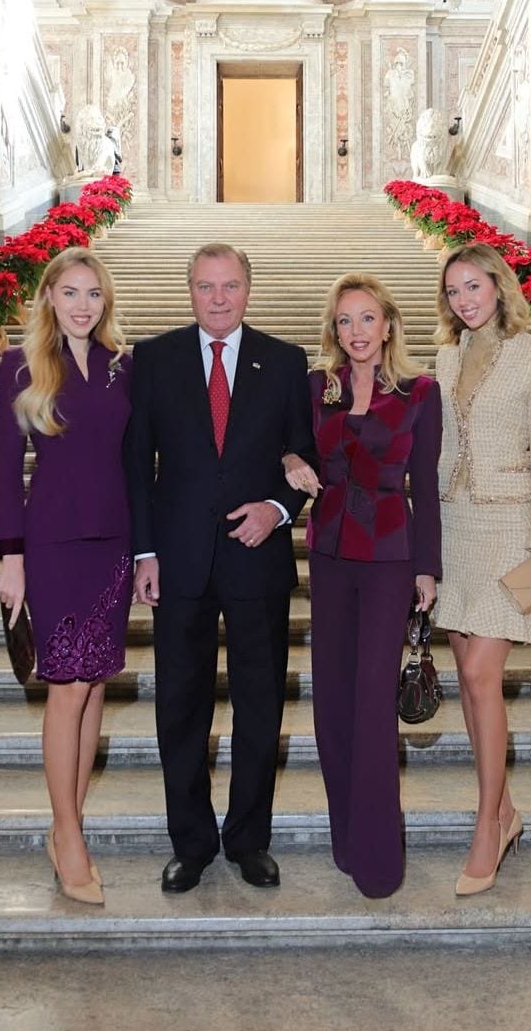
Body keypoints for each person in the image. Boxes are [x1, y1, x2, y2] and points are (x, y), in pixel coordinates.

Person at [126, 242, 317, 894]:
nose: (218, 297)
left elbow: (307, 460)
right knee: (180, 706)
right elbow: (136, 467)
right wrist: (143, 552)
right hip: (177, 563)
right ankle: (192, 843)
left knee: (260, 705)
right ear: (189, 291)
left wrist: (276, 507)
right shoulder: (152, 361)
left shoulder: (287, 363)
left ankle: (248, 840)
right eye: (206, 286)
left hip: (257, 561)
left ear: (247, 290)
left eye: (230, 285)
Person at [282, 273, 442, 898]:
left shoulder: (420, 392)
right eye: (345, 321)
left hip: (388, 559)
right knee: (332, 704)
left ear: (389, 325)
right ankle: (345, 838)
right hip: (327, 555)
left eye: (367, 318)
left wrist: (426, 567)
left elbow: (424, 486)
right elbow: (284, 444)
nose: (356, 332)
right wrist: (289, 459)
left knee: (374, 705)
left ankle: (380, 854)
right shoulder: (315, 389)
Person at [0, 246, 133, 906]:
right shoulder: (19, 366)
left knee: (97, 680)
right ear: (49, 297)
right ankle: (69, 832)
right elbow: (3, 472)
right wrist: (11, 558)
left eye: (94, 295)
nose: (83, 305)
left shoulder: (122, 369)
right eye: (71, 293)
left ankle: (67, 824)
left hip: (114, 545)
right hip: (51, 544)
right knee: (66, 686)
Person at [433, 243, 531, 896]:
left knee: (483, 676)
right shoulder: (442, 358)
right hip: (454, 531)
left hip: (511, 533)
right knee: (466, 676)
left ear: (498, 286)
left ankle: (487, 825)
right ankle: (507, 809)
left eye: (474, 286)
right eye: (454, 291)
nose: (465, 299)